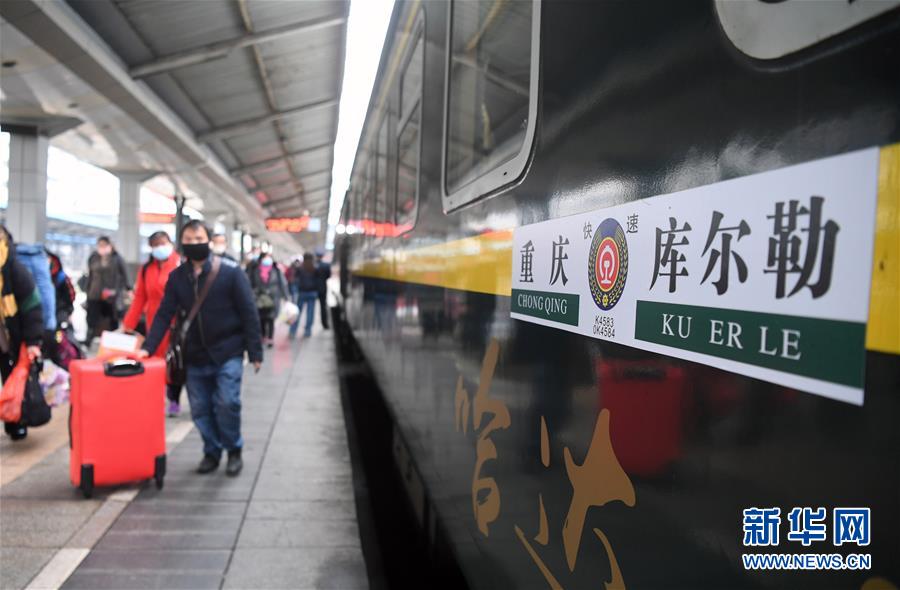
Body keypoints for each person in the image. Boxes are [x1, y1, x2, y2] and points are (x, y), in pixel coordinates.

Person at [140, 221, 262, 476]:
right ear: (181, 242)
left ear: (209, 240)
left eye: (198, 238)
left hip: (228, 351)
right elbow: (164, 314)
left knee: (227, 402)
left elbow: (249, 312)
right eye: (188, 239)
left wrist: (255, 351)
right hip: (194, 354)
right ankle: (212, 451)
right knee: (200, 409)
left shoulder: (231, 273)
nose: (194, 243)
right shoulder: (177, 277)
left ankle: (234, 449)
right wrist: (148, 348)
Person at [122, 231, 183, 416]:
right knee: (155, 360)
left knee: (174, 361)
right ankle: (157, 396)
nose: (159, 248)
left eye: (162, 243)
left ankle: (174, 398)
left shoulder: (180, 264)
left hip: (177, 323)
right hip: (155, 323)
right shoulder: (146, 269)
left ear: (170, 243)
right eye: (155, 245)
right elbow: (140, 297)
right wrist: (128, 324)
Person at [0, 226, 44, 441]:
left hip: (10, 336)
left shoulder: (15, 269)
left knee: (12, 378)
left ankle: (16, 421)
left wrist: (33, 341)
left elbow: (32, 306)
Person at [83, 236, 129, 345]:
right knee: (91, 318)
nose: (102, 248)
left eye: (104, 245)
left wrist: (127, 289)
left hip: (111, 295)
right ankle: (88, 340)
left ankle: (114, 342)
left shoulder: (117, 258)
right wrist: (87, 290)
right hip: (94, 293)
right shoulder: (93, 258)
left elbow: (125, 275)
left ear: (110, 245)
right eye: (100, 245)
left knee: (113, 319)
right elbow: (90, 275)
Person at [249, 252, 288, 348]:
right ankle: (263, 336)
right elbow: (251, 283)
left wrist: (286, 297)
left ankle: (270, 338)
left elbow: (283, 283)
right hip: (260, 298)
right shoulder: (255, 270)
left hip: (273, 298)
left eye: (269, 258)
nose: (267, 260)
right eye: (265, 258)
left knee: (271, 318)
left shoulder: (276, 270)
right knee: (262, 318)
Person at [290, 253, 318, 339]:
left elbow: (294, 280)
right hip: (312, 293)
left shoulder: (300, 268)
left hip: (302, 293)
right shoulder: (315, 268)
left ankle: (293, 331)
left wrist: (294, 292)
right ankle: (307, 331)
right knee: (310, 313)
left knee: (297, 312)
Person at [315, 248, 331, 330]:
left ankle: (307, 327)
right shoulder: (326, 265)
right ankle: (325, 324)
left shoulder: (312, 265)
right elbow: (328, 275)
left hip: (313, 288)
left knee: (309, 308)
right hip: (323, 288)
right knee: (323, 307)